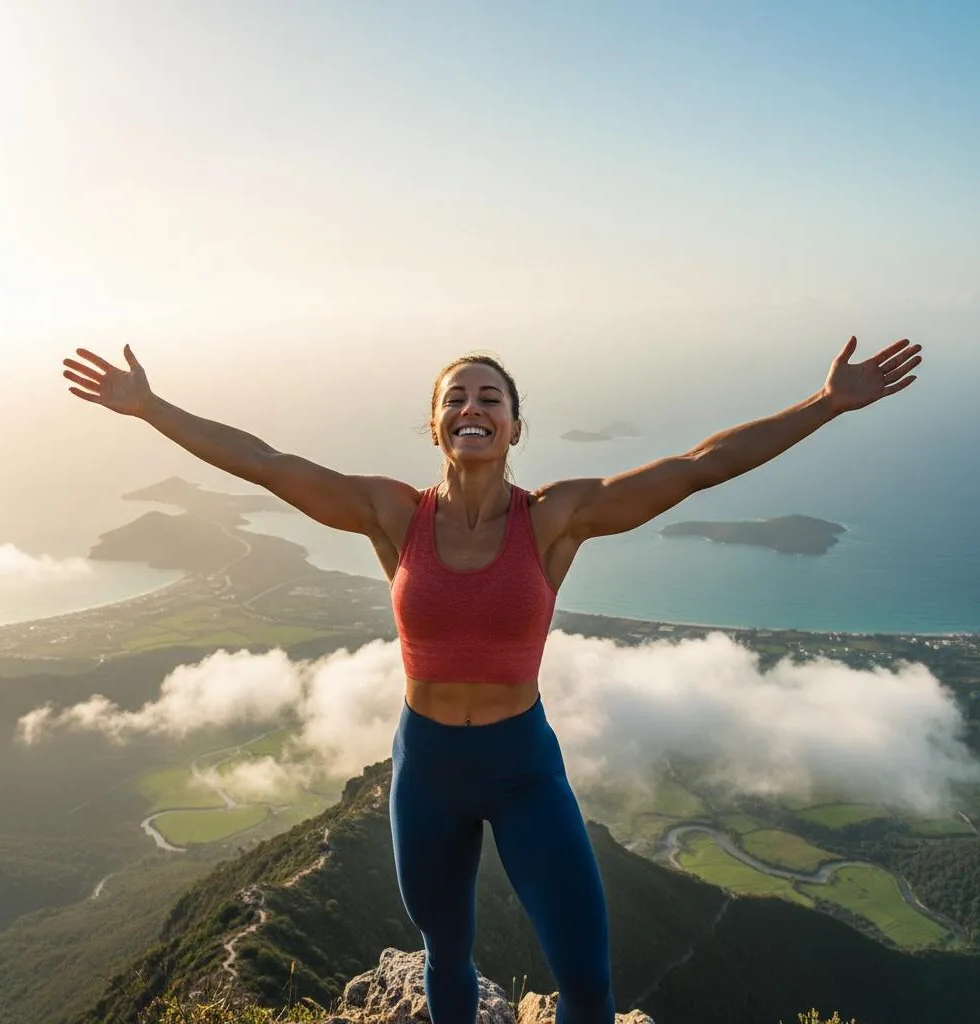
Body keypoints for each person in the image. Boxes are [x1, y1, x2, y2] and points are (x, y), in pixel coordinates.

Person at [62, 336, 921, 1023]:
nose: (472, 408)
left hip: (522, 767)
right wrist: (149, 408)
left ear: (515, 426)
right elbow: (261, 460)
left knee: (586, 977)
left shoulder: (555, 518)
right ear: (435, 427)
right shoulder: (392, 514)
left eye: (490, 398)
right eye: (456, 399)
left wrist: (825, 404)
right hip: (427, 767)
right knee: (447, 956)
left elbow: (701, 466)